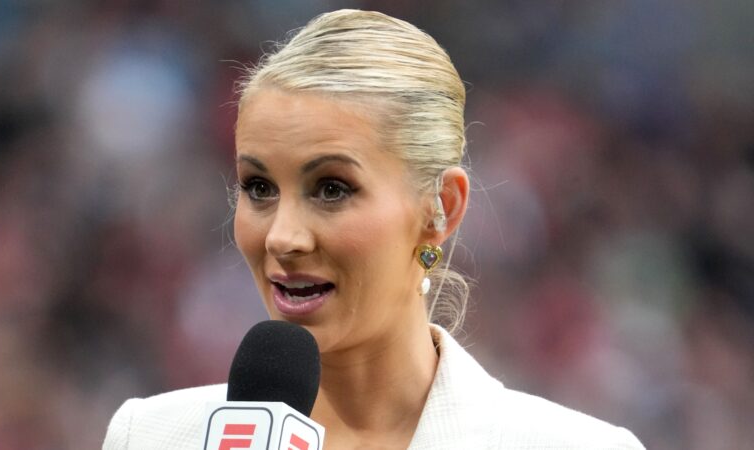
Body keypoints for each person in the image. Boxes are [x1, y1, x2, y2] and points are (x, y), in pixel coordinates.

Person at [103, 9, 645, 449]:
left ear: (441, 208)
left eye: (331, 189)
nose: (281, 237)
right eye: (259, 187)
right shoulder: (150, 437)